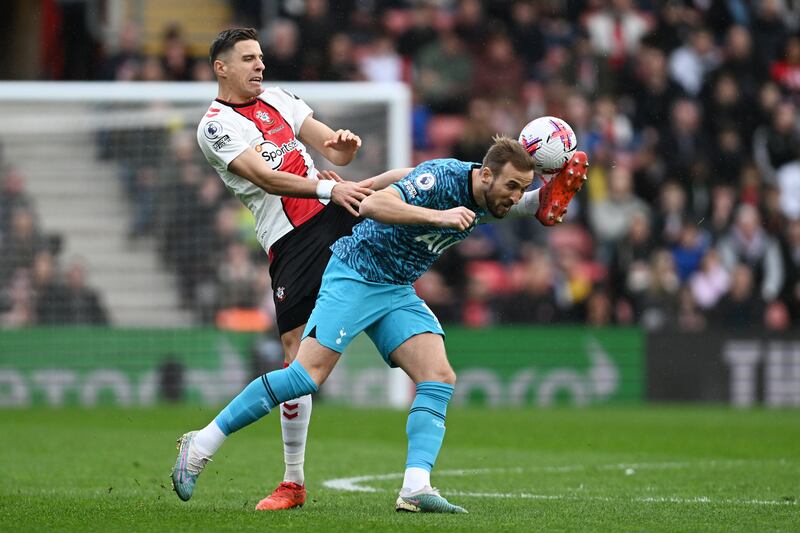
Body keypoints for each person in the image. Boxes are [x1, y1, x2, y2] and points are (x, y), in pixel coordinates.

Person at [172, 136, 589, 513]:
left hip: (394, 289)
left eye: (521, 188)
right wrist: (436, 217)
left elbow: (408, 176)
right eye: (512, 187)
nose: (514, 196)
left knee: (438, 376)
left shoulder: (488, 193)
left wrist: (544, 201)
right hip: (355, 272)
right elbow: (375, 206)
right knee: (305, 375)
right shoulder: (445, 180)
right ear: (484, 175)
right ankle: (202, 444)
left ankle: (415, 487)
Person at [190, 27, 405, 511]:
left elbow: (334, 150)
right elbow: (265, 177)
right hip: (290, 240)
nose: (259, 65)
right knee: (297, 361)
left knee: (399, 192)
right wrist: (330, 186)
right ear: (221, 67)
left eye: (261, 57)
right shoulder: (215, 125)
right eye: (248, 58)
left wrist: (344, 146)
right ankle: (293, 482)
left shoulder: (282, 98)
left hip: (329, 212)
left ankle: (514, 195)